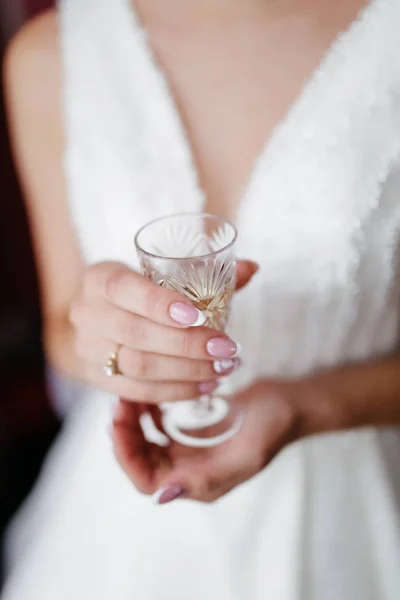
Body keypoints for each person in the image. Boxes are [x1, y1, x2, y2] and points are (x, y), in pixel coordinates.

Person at [2, 0, 400, 597]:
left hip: (360, 500)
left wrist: (306, 407)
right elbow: (62, 327)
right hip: (123, 517)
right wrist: (109, 348)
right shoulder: (49, 54)